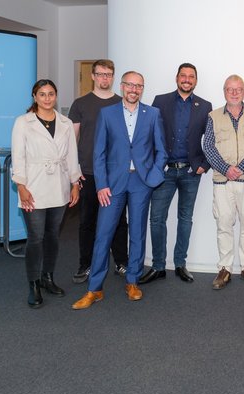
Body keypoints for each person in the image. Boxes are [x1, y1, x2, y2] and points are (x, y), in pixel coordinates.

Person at [72, 71, 167, 309]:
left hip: (140, 184)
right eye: (130, 85)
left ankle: (132, 281)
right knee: (103, 234)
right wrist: (102, 184)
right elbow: (99, 152)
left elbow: (161, 151)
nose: (134, 90)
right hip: (112, 185)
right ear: (122, 86)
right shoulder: (108, 113)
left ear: (142, 89)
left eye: (139, 86)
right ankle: (94, 289)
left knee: (137, 233)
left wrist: (152, 177)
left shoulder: (153, 114)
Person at [139, 63, 212, 285]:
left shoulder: (205, 105)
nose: (187, 79)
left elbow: (212, 140)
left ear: (196, 81)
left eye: (191, 76)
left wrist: (204, 164)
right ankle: (159, 266)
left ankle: (180, 264)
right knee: (157, 218)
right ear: (176, 78)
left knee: (185, 218)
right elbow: (148, 134)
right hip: (164, 171)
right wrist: (151, 165)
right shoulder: (160, 101)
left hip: (191, 172)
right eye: (183, 75)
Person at [11, 79, 81, 308]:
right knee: (35, 238)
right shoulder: (23, 122)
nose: (47, 98)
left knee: (52, 236)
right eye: (42, 94)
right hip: (33, 187)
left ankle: (47, 277)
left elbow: (72, 155)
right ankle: (33, 284)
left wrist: (75, 183)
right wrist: (21, 186)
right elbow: (18, 156)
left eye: (51, 94)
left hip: (59, 187)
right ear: (35, 96)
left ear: (56, 96)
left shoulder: (66, 122)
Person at [203, 74, 244, 290]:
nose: (234, 92)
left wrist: (240, 168)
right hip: (222, 181)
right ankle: (225, 269)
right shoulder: (212, 116)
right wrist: (226, 169)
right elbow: (209, 147)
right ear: (224, 91)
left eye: (238, 89)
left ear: (243, 90)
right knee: (224, 224)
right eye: (230, 89)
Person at [68, 59, 129, 284]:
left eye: (109, 74)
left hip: (116, 174)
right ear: (93, 76)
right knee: (87, 221)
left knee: (120, 221)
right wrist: (74, 172)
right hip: (89, 172)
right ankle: (86, 265)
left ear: (113, 77)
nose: (105, 78)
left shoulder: (122, 103)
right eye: (101, 74)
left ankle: (122, 262)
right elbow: (73, 140)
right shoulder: (80, 104)